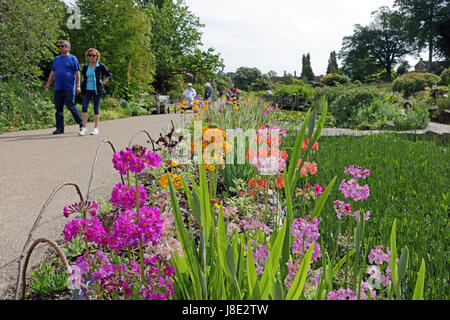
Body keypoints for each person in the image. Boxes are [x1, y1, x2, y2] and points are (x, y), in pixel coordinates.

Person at [45, 40, 84, 135]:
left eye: (62, 46)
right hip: (58, 88)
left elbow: (77, 73)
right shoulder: (56, 59)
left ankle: (82, 124)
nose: (60, 48)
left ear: (67, 47)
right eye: (59, 46)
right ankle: (59, 128)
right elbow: (52, 72)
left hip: (69, 88)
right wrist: (48, 84)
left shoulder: (73, 58)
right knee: (58, 108)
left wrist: (78, 85)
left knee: (71, 106)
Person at [79, 48, 112, 136]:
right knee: (84, 108)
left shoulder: (100, 66)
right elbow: (83, 76)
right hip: (86, 90)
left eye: (94, 55)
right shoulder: (86, 66)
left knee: (95, 108)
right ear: (87, 56)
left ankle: (95, 128)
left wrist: (102, 83)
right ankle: (84, 128)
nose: (92, 57)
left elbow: (109, 76)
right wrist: (82, 83)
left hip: (97, 90)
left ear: (97, 56)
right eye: (90, 55)